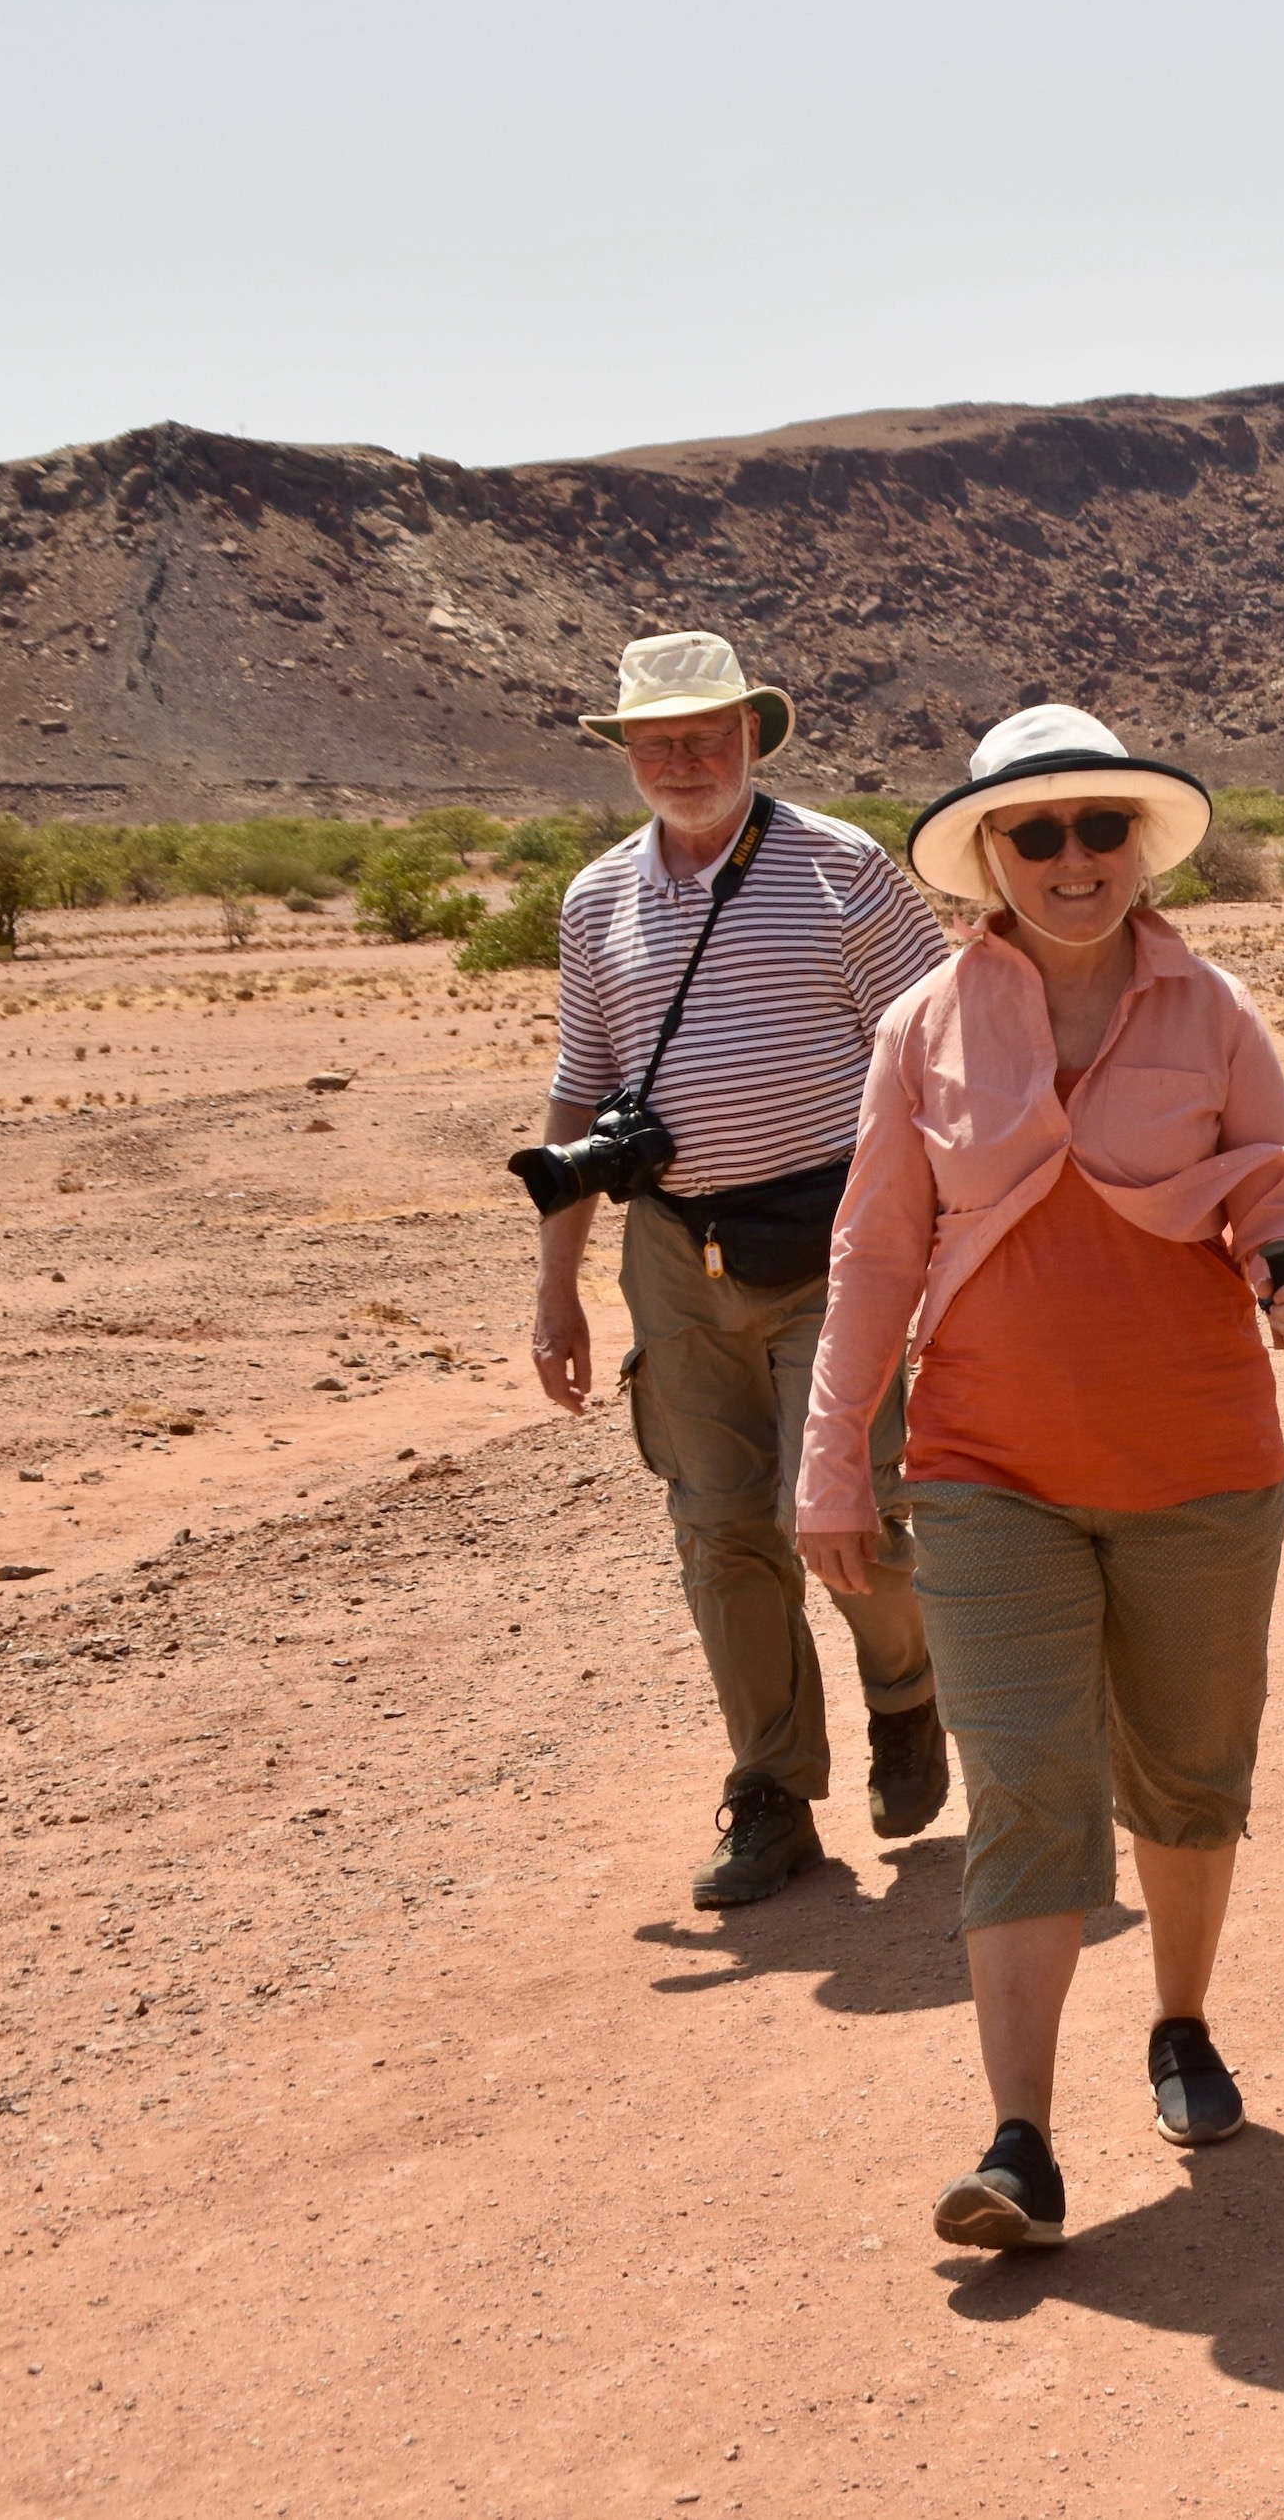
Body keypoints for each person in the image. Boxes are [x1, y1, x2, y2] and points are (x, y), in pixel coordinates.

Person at [796, 705, 1284, 2250]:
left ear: (1138, 843)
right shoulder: (924, 1023)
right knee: (1031, 1787)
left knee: (1187, 1774)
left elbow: (1277, 1180)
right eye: (1035, 832)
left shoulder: (1213, 1005)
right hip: (987, 1470)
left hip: (1201, 1459)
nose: (1070, 857)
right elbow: (874, 1251)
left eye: (1097, 828)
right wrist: (834, 1455)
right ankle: (1021, 2139)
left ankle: (1180, 2021)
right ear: (989, 854)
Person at [532, 630, 951, 1910]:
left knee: (849, 1519)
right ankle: (772, 1790)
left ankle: (906, 1686)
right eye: (657, 741)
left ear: (756, 736)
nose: (685, 759)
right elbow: (578, 1092)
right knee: (718, 1531)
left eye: (708, 735)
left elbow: (946, 1047)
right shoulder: (596, 899)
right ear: (625, 756)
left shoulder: (844, 871)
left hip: (837, 1245)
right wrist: (555, 1289)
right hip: (673, 1251)